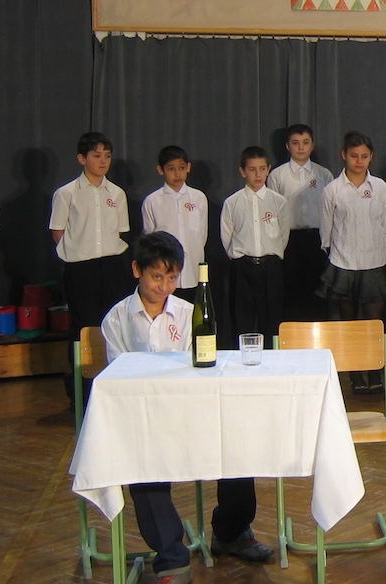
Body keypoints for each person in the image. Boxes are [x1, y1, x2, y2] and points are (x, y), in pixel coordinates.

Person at [101, 231, 274, 584]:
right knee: (141, 467)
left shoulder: (187, 311)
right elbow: (117, 377)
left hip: (189, 413)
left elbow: (201, 365)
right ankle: (172, 561)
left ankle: (231, 532)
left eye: (172, 278)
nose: (164, 286)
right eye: (156, 277)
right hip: (144, 420)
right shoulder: (116, 318)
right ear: (137, 270)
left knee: (236, 445)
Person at [49, 132, 132, 399]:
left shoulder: (116, 193)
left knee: (113, 325)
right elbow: (58, 231)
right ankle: (81, 393)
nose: (103, 161)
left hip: (112, 266)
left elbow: (120, 231)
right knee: (83, 327)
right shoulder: (67, 193)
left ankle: (113, 388)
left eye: (107, 156)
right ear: (82, 159)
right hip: (81, 269)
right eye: (97, 156)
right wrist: (77, 252)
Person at [317, 131, 386, 392]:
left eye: (364, 156)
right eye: (353, 156)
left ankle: (374, 371)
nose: (359, 161)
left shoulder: (380, 187)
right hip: (343, 261)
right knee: (348, 322)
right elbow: (326, 229)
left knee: (373, 322)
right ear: (344, 155)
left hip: (374, 260)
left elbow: (384, 223)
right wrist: (336, 252)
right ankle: (354, 374)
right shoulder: (332, 190)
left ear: (371, 157)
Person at [220, 146, 290, 343]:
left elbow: (283, 236)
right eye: (252, 169)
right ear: (242, 171)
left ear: (268, 170)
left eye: (262, 169)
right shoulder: (232, 203)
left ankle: (271, 357)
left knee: (272, 319)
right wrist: (240, 257)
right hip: (242, 267)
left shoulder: (279, 202)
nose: (258, 174)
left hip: (270, 267)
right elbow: (227, 237)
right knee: (243, 319)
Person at [267, 124, 332, 321]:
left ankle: (318, 335)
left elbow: (330, 210)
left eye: (305, 142)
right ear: (287, 146)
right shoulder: (277, 175)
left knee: (318, 291)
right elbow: (273, 211)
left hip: (317, 237)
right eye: (295, 143)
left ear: (312, 145)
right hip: (289, 238)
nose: (301, 147)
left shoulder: (324, 174)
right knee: (291, 290)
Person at [141, 145, 207, 304]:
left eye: (181, 168)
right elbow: (150, 238)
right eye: (171, 169)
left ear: (188, 167)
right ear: (160, 170)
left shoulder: (198, 198)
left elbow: (202, 234)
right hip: (165, 271)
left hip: (193, 268)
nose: (177, 174)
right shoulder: (152, 201)